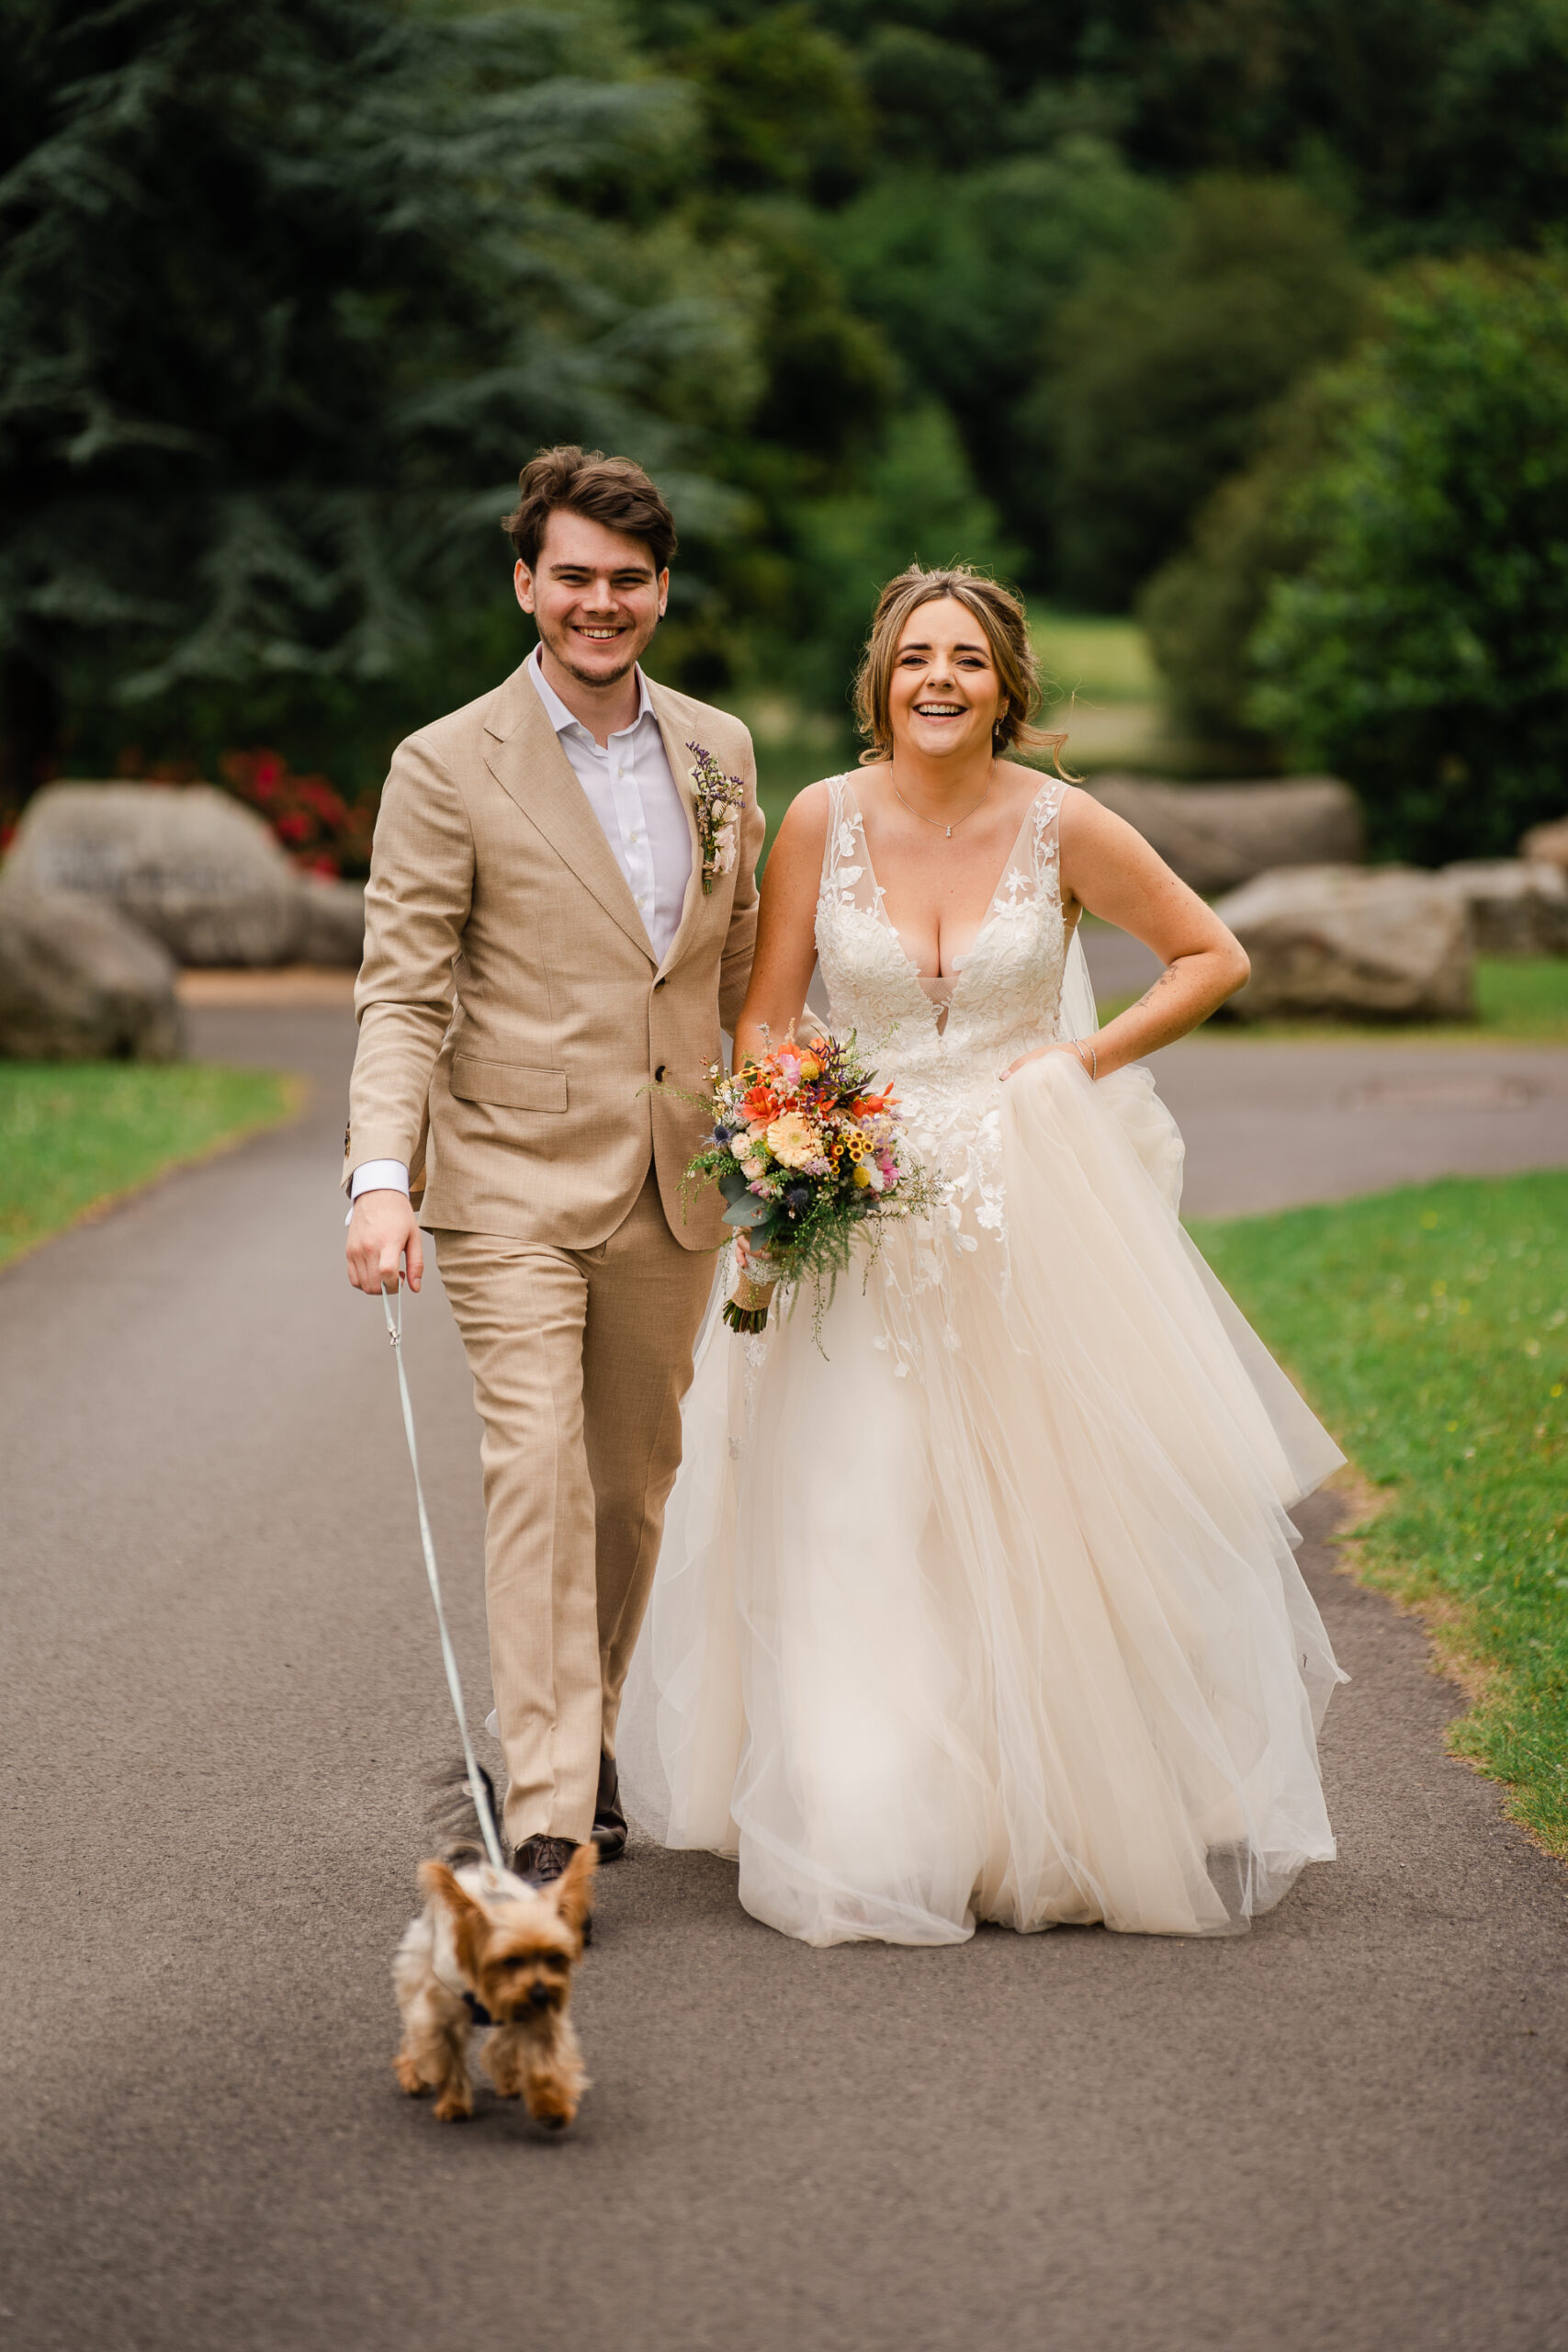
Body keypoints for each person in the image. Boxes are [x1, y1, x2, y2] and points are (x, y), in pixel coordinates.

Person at [620, 563, 1346, 1949]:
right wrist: (787, 1133)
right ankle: (871, 1815)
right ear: (879, 683)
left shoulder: (1061, 824)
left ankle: (1052, 1809)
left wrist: (1078, 1055)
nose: (937, 680)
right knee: (858, 1509)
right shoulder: (821, 821)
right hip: (859, 1212)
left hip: (1028, 1216)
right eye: (912, 659)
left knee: (1038, 1511)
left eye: (964, 659)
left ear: (1006, 687)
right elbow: (770, 1013)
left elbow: (1209, 955)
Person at [344, 446, 763, 1884]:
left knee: (632, 1485)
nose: (600, 603)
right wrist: (380, 1179)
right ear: (526, 583)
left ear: (662, 591)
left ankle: (580, 1731)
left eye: (627, 581)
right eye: (572, 576)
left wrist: (778, 1138)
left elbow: (742, 961)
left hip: (678, 1181)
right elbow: (402, 992)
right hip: (509, 1182)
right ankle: (540, 1809)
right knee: (535, 1469)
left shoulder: (722, 752)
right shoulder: (444, 764)